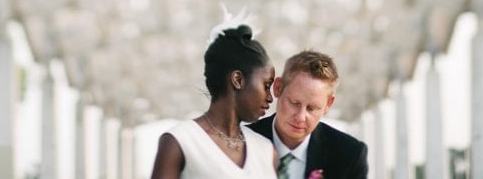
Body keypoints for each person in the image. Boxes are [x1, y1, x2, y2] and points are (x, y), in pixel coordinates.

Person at [150, 23, 278, 178]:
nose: (270, 97)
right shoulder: (180, 142)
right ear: (238, 80)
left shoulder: (266, 150)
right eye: (266, 85)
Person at [248, 50, 369, 179]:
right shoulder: (242, 143)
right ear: (278, 88)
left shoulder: (349, 155)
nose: (300, 117)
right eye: (294, 103)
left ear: (328, 104)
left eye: (312, 108)